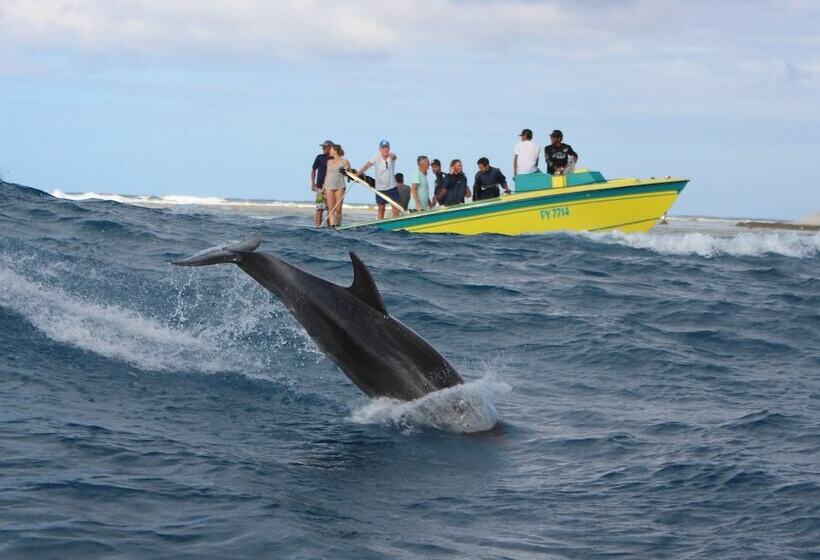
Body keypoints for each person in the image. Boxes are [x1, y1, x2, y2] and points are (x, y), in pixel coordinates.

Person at [357, 140, 401, 219]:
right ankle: (381, 223)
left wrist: (392, 155)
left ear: (389, 148)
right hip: (380, 188)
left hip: (392, 187)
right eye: (383, 147)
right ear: (380, 149)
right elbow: (367, 166)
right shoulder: (375, 157)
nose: (385, 149)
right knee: (381, 209)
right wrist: (358, 174)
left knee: (396, 208)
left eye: (387, 147)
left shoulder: (391, 156)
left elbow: (394, 157)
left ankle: (395, 222)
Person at [323, 144, 350, 227]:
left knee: (338, 209)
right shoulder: (329, 162)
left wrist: (348, 172)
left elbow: (349, 173)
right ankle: (332, 226)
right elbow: (327, 174)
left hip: (340, 186)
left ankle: (338, 225)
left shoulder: (345, 161)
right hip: (329, 186)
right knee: (331, 209)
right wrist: (324, 186)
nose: (329, 152)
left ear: (335, 151)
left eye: (331, 150)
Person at [311, 140, 333, 227]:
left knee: (330, 209)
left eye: (325, 147)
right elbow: (313, 170)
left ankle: (330, 227)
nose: (323, 149)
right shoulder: (319, 157)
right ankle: (318, 227)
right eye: (323, 147)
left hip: (331, 187)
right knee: (319, 208)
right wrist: (313, 183)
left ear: (331, 148)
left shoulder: (334, 158)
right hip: (320, 187)